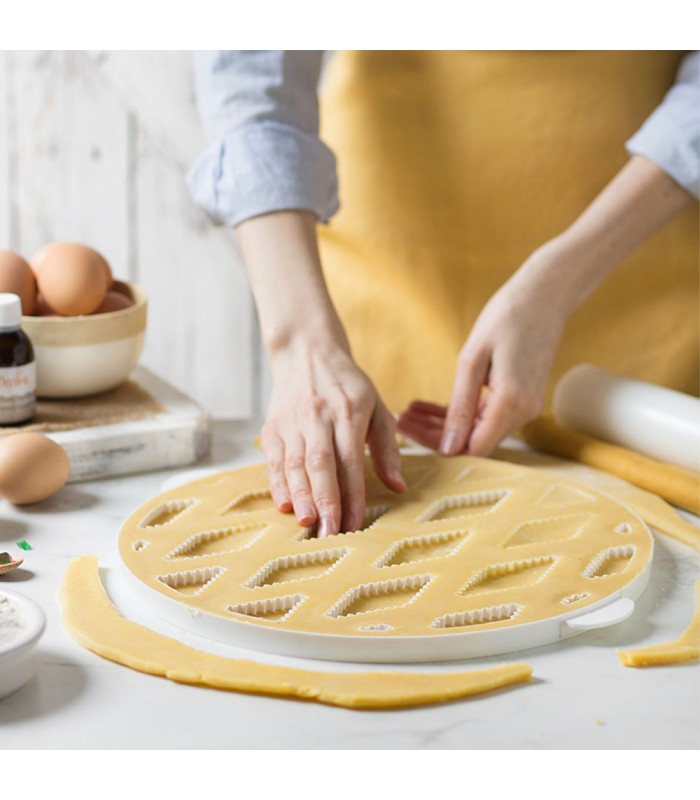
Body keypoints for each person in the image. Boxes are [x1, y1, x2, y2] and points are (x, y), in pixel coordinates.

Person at [187, 50, 699, 539]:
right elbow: (249, 70)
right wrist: (301, 343)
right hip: (391, 272)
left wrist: (559, 282)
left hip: (641, 243)